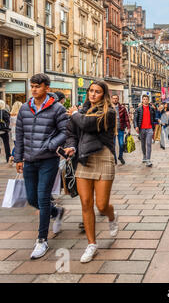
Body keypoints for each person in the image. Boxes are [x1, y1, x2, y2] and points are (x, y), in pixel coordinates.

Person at [64, 81, 118, 263]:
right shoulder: (81, 111)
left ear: (104, 95)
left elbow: (87, 124)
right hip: (84, 160)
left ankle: (112, 215)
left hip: (103, 157)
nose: (93, 94)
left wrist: (74, 114)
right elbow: (71, 133)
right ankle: (91, 244)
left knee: (101, 205)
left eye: (98, 92)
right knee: (86, 203)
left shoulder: (109, 112)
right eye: (91, 91)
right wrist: (71, 146)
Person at [14, 73, 68, 259]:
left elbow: (65, 132)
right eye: (32, 86)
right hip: (29, 160)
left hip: (48, 159)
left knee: (43, 197)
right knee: (32, 199)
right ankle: (57, 211)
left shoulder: (57, 108)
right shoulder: (24, 108)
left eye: (38, 86)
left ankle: (41, 240)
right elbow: (19, 134)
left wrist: (51, 145)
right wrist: (18, 157)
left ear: (46, 87)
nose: (34, 89)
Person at [133, 95, 156, 167]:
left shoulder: (152, 109)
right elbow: (135, 119)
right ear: (142, 100)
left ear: (148, 100)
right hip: (142, 129)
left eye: (146, 99)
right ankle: (144, 156)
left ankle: (148, 160)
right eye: (144, 99)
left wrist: (157, 120)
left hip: (149, 129)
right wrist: (136, 126)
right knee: (143, 144)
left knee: (149, 144)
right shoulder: (138, 109)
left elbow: (154, 118)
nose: (145, 100)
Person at [111, 94, 131, 165]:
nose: (115, 100)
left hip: (120, 128)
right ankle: (114, 159)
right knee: (112, 145)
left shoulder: (122, 108)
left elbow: (126, 118)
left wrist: (128, 127)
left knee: (121, 144)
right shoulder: (108, 108)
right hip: (112, 130)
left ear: (118, 99)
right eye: (113, 98)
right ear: (111, 99)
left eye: (116, 98)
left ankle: (120, 156)